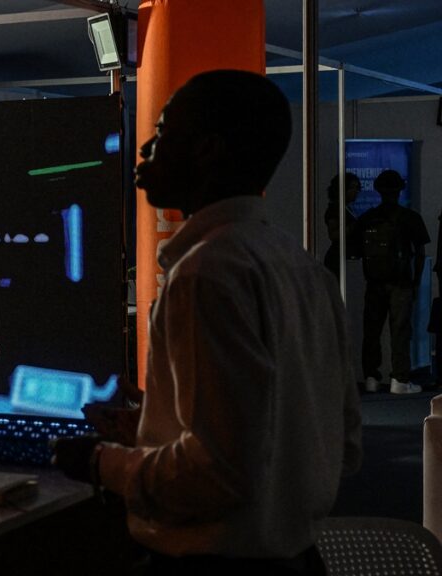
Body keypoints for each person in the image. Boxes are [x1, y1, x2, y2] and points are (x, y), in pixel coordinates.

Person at [54, 70, 362, 575]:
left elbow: (218, 471)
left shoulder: (205, 275)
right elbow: (341, 444)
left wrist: (98, 461)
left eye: (162, 133)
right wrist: (158, 427)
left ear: (208, 150)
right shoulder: (305, 271)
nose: (145, 148)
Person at [356, 169, 430, 394]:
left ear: (378, 190)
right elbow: (420, 253)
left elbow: (357, 249)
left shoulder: (368, 217)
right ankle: (400, 379)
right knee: (400, 330)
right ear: (400, 190)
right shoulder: (410, 218)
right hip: (401, 283)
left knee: (372, 330)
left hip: (374, 282)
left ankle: (371, 376)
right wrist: (415, 282)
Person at [322, 172, 361, 279]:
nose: (356, 191)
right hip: (338, 259)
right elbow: (334, 235)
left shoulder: (347, 209)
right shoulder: (335, 209)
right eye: (352, 188)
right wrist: (355, 226)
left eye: (357, 188)